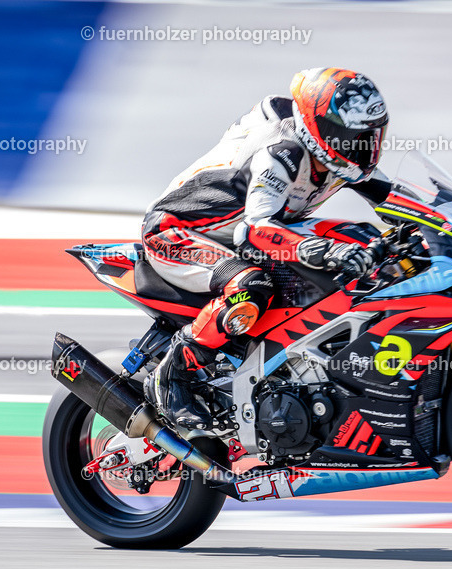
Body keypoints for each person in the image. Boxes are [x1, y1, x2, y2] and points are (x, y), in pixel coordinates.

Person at [141, 67, 393, 429]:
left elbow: (403, 202)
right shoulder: (282, 152)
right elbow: (256, 232)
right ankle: (173, 373)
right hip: (176, 233)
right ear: (321, 129)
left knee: (366, 238)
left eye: (371, 135)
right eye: (353, 137)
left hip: (238, 234)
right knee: (249, 288)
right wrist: (325, 252)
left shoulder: (346, 160)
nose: (364, 147)